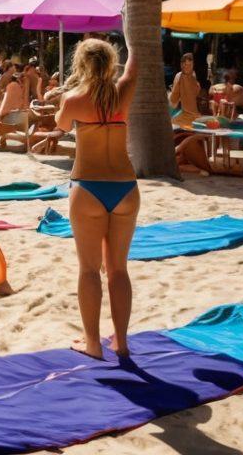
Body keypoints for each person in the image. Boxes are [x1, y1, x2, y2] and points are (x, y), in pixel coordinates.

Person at [54, 38, 139, 360]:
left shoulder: (73, 99)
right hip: (126, 188)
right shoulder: (124, 91)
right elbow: (136, 60)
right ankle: (121, 342)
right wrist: (129, 37)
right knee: (118, 270)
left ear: (81, 64)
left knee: (89, 270)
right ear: (110, 62)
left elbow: (60, 126)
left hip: (88, 187)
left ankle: (92, 344)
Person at [0, 69, 28, 150]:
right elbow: (23, 106)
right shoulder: (22, 88)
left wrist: (0, 117)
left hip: (11, 120)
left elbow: (5, 106)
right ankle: (1, 140)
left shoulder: (11, 86)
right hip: (22, 118)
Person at [169, 52, 201, 124]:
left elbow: (173, 99)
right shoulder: (189, 75)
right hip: (191, 114)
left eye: (189, 65)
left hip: (189, 115)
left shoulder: (183, 76)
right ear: (181, 65)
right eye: (185, 65)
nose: (187, 67)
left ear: (193, 65)